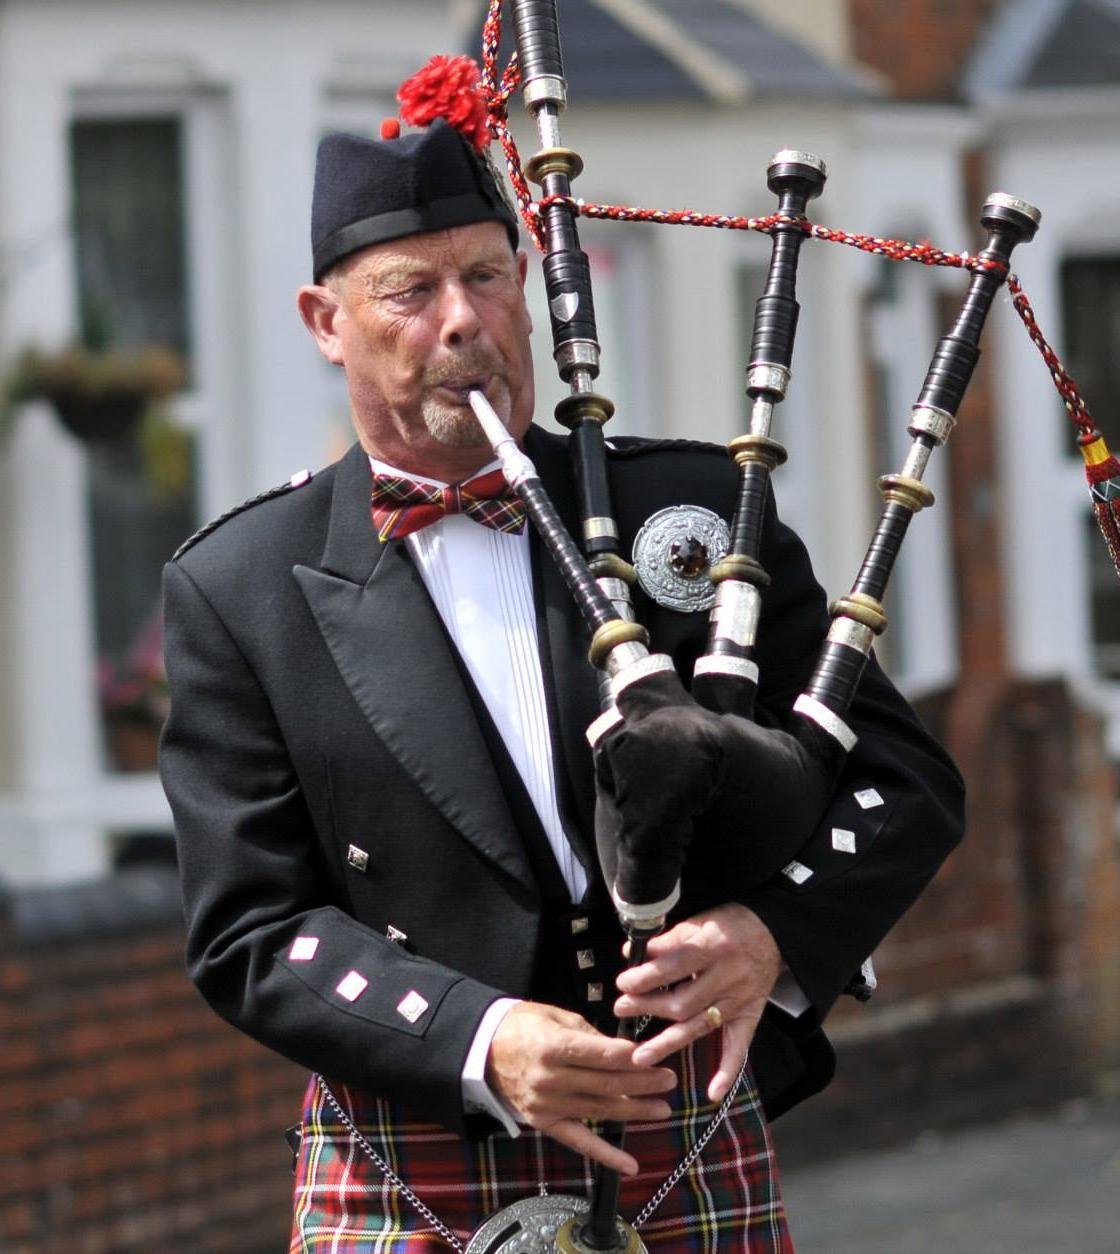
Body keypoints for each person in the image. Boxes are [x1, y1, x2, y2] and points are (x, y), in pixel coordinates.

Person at [160, 107, 964, 1251]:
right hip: (415, 1150)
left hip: (677, 1128)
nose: (462, 322)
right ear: (324, 322)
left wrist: (770, 933)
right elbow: (249, 925)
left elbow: (899, 778)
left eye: (488, 276)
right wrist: (476, 1040)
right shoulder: (240, 588)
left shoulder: (684, 510)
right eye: (410, 291)